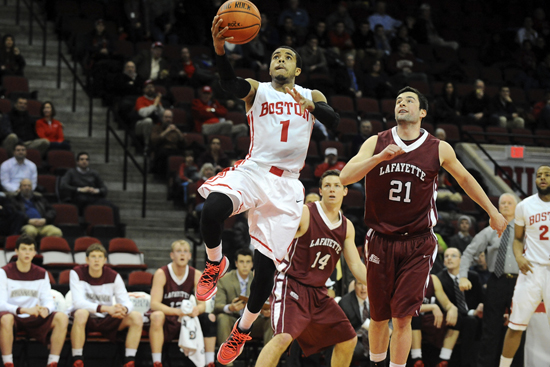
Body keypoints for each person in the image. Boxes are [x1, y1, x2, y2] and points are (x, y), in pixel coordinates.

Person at [195, 15, 340, 366]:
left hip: (288, 184)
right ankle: (216, 263)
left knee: (265, 268)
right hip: (254, 170)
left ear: (297, 70)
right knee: (212, 208)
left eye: (287, 57)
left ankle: (242, 330)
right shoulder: (257, 89)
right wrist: (219, 49)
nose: (280, 60)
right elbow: (228, 85)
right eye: (276, 56)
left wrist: (314, 108)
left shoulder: (310, 94)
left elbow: (334, 122)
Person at [340, 86, 506, 367]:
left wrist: (491, 210)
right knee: (379, 317)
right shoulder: (375, 142)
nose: (402, 104)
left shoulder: (438, 147)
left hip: (418, 242)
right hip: (381, 239)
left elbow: (465, 180)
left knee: (402, 316)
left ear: (423, 112)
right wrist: (379, 158)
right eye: (398, 101)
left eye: (409, 101)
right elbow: (344, 177)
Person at [254, 170, 367, 367]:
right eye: (328, 186)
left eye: (337, 186)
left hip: (318, 293)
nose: (332, 190)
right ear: (321, 191)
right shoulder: (305, 213)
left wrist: (381, 286)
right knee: (282, 338)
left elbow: (356, 265)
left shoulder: (347, 227)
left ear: (345, 191)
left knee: (348, 339)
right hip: (292, 285)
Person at [458, 193, 519, 367]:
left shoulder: (525, 229)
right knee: (490, 330)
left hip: (520, 282)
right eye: (502, 203)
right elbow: (469, 252)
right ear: (498, 207)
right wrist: (462, 276)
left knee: (518, 328)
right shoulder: (490, 230)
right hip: (496, 281)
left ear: (517, 207)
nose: (506, 206)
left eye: (509, 203)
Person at [498, 165, 550, 367]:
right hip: (532, 270)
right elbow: (518, 239)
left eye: (547, 175)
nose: (542, 178)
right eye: (539, 175)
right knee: (515, 325)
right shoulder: (524, 206)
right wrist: (518, 257)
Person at [68, 243, 142, 367]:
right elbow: (78, 303)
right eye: (93, 257)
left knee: (136, 316)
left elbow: (127, 301)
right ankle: (78, 359)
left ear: (105, 260)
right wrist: (107, 308)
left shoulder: (114, 276)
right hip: (86, 320)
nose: (96, 260)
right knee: (81, 313)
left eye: (100, 257)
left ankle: (129, 360)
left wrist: (124, 309)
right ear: (87, 260)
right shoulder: (77, 273)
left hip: (107, 319)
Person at [0, 234, 69, 367]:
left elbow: (48, 300)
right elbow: (1, 303)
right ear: (16, 251)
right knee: (6, 318)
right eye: (24, 249)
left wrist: (46, 309)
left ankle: (52, 363)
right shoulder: (4, 272)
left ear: (34, 252)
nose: (27, 252)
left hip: (34, 317)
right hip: (14, 316)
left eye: (30, 249)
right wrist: (24, 310)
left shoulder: (41, 273)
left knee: (61, 317)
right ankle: (8, 363)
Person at [146, 240, 217, 367]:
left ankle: (210, 362)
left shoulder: (196, 274)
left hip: (187, 319)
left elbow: (202, 304)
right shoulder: (161, 273)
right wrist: (177, 312)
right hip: (168, 317)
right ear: (172, 255)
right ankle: (157, 362)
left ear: (190, 256)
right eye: (178, 251)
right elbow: (155, 304)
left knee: (210, 318)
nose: (182, 255)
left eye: (185, 252)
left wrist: (197, 310)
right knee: (156, 316)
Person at [214, 248, 272, 350]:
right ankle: (227, 363)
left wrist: (267, 311)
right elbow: (217, 305)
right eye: (241, 262)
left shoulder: (260, 279)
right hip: (233, 321)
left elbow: (269, 301)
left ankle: (267, 362)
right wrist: (230, 308)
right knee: (222, 318)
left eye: (248, 262)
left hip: (254, 322)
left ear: (252, 264)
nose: (245, 265)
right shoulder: (224, 280)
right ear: (236, 263)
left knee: (271, 320)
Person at [435, 248, 484, 367]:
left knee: (476, 321)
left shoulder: (472, 276)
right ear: (443, 262)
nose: (449, 258)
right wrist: (471, 313)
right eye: (446, 256)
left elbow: (482, 298)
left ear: (461, 260)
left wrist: (482, 306)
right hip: (451, 316)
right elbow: (442, 304)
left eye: (453, 256)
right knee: (470, 321)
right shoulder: (439, 278)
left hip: (475, 315)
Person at [59, 152, 121, 228]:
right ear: (77, 162)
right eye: (82, 159)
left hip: (93, 197)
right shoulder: (71, 172)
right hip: (78, 197)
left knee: (114, 208)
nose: (84, 161)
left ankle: (117, 230)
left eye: (86, 159)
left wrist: (96, 190)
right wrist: (79, 189)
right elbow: (63, 185)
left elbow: (104, 189)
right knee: (82, 200)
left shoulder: (94, 173)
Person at [410, 274, 458, 367]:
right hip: (413, 319)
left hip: (431, 319)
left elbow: (446, 304)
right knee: (414, 317)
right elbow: (408, 307)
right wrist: (432, 306)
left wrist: (452, 309)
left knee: (457, 317)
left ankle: (444, 359)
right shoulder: (407, 277)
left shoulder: (433, 279)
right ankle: (416, 359)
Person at [339, 279, 372, 364]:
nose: (363, 288)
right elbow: (342, 329)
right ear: (354, 285)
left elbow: (389, 321)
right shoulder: (344, 303)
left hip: (374, 336)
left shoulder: (378, 299)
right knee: (356, 349)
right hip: (354, 338)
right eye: (360, 284)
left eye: (366, 284)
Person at [150, 109, 186, 176]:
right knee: (163, 153)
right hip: (162, 149)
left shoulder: (175, 130)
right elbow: (154, 140)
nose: (168, 119)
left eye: (170, 117)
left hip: (175, 150)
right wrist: (166, 131)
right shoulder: (156, 128)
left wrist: (178, 132)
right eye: (166, 117)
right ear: (162, 118)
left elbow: (183, 143)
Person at [134, 80, 165, 146]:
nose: (150, 89)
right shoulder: (140, 99)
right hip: (140, 124)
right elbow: (143, 114)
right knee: (148, 121)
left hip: (155, 125)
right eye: (148, 87)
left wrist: (158, 105)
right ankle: (146, 145)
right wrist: (154, 105)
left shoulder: (156, 100)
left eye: (152, 87)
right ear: (144, 90)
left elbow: (162, 114)